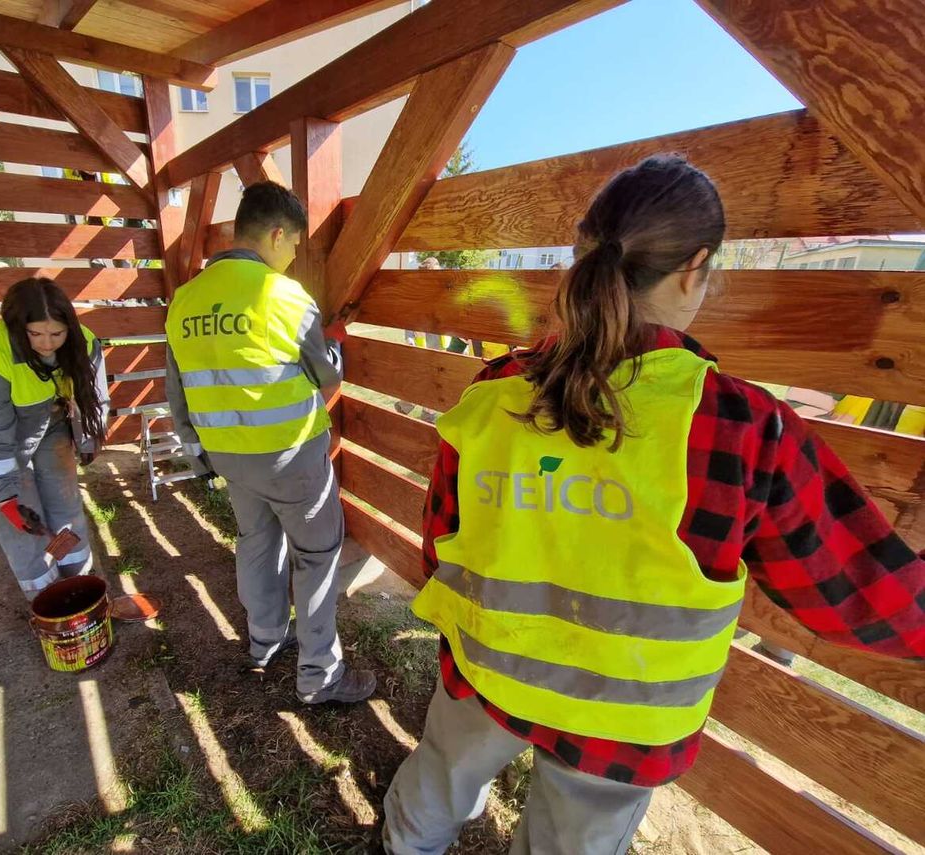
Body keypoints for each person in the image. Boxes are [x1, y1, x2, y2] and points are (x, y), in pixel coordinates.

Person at [382, 155, 925, 854]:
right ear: (695, 269)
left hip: (488, 668)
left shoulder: (494, 390)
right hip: (620, 722)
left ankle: (401, 846)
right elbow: (857, 592)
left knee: (440, 773)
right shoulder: (741, 426)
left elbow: (443, 535)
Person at [165, 181, 376, 705]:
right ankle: (319, 676)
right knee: (318, 554)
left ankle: (264, 642)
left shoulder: (184, 300)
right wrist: (333, 346)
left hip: (229, 459)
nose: (294, 256)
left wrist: (198, 455)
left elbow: (177, 390)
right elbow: (325, 378)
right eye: (296, 245)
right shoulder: (286, 297)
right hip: (290, 457)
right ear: (277, 234)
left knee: (257, 543)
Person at [0, 278, 109, 599]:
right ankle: (43, 592)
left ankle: (78, 577)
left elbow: (94, 396)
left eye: (57, 334)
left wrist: (89, 438)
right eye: (35, 334)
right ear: (16, 327)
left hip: (49, 419)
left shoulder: (85, 342)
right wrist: (6, 493)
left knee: (64, 498)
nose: (47, 344)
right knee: (23, 518)